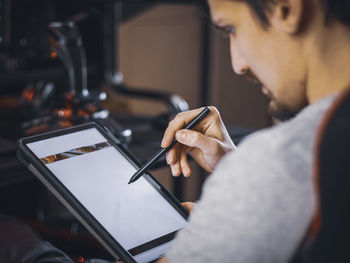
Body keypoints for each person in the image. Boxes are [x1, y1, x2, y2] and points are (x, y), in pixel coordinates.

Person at [157, 0, 350, 262]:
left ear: (286, 8)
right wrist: (238, 179)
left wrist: (247, 177)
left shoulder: (279, 161)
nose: (238, 65)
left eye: (232, 28)